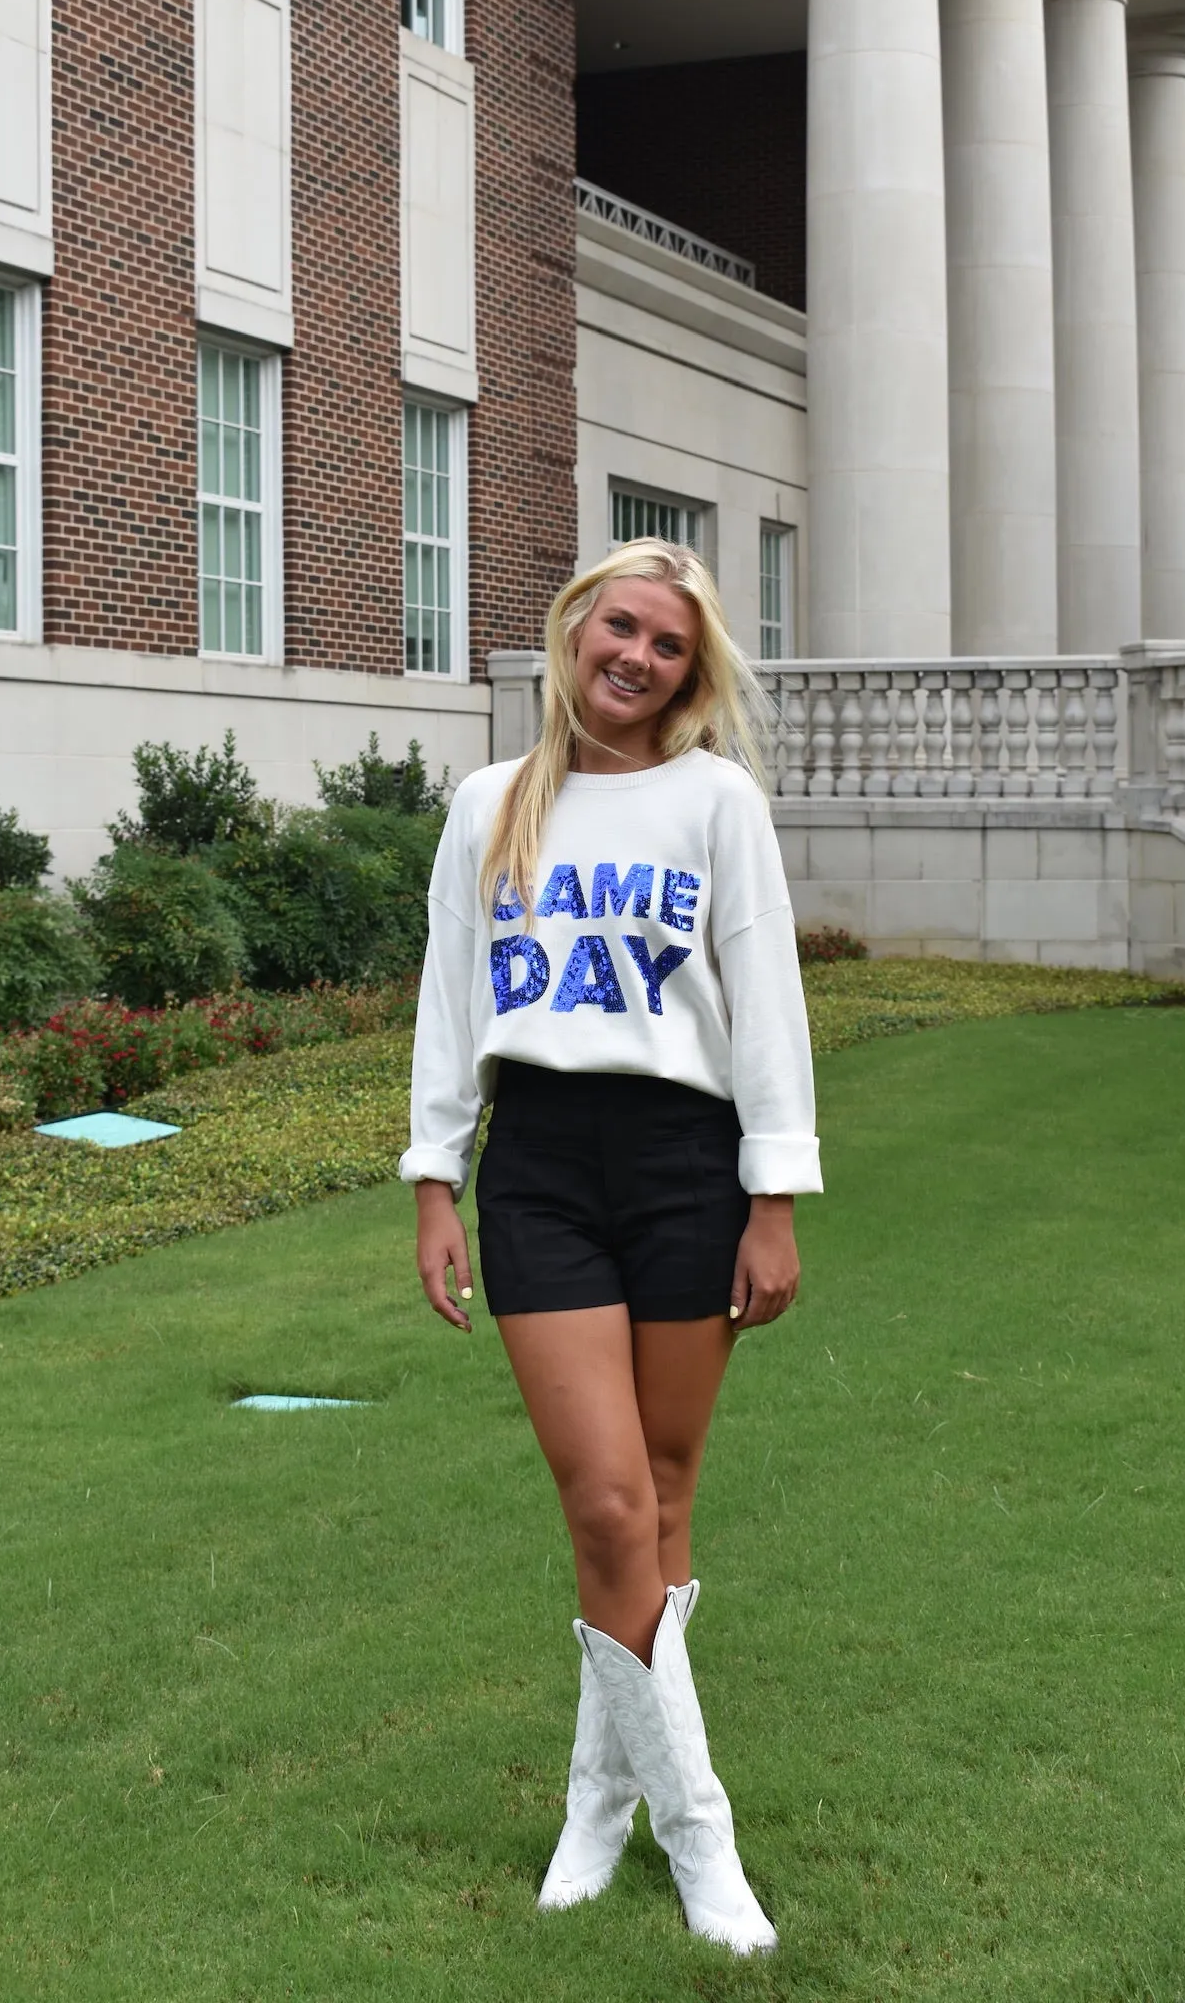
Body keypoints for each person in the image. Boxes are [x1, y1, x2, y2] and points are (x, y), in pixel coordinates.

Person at [400, 538, 821, 1956]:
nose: (637, 658)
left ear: (690, 675)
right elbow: (450, 1002)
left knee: (665, 1498)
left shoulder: (716, 804)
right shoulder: (490, 806)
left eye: (670, 647)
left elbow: (764, 1006)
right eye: (622, 627)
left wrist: (775, 1198)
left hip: (685, 1165)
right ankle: (701, 1835)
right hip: (539, 1169)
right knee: (605, 1507)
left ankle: (599, 1799)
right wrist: (433, 1178)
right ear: (578, 626)